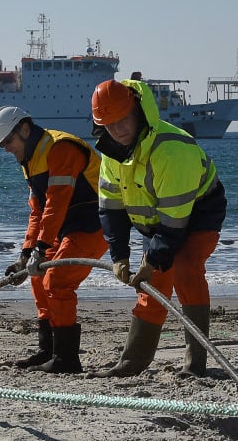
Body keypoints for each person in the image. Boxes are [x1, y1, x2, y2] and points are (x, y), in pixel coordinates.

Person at [89, 79, 227, 377]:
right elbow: (110, 208)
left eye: (123, 120)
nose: (118, 130)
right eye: (109, 124)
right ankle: (132, 362)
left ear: (138, 111)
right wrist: (119, 256)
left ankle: (195, 365)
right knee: (152, 286)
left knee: (185, 268)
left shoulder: (172, 150)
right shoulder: (111, 154)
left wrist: (152, 261)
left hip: (198, 214)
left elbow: (175, 224)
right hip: (156, 222)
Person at [0, 106, 109, 373]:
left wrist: (41, 248)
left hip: (94, 225)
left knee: (58, 280)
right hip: (68, 227)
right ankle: (48, 350)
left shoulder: (61, 147)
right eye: (3, 145)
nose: (7, 148)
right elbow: (38, 212)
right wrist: (26, 254)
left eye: (9, 141)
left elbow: (57, 202)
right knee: (36, 275)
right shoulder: (31, 160)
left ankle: (67, 359)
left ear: (25, 130)